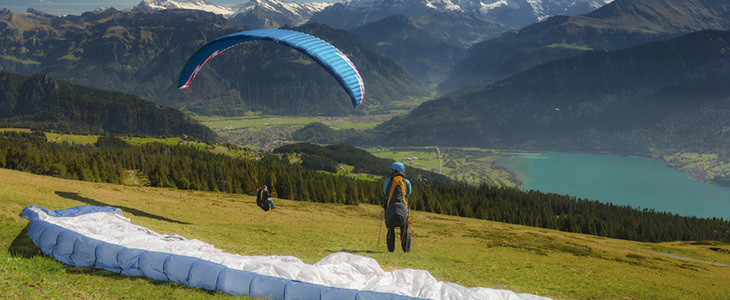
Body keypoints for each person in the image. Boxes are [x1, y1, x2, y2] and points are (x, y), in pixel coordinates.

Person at [383, 162, 411, 252]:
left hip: (390, 207)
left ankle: (391, 250)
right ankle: (406, 250)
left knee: (391, 229)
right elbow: (408, 193)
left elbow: (384, 192)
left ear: (393, 170)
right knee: (404, 229)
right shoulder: (406, 182)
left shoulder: (389, 180)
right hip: (403, 207)